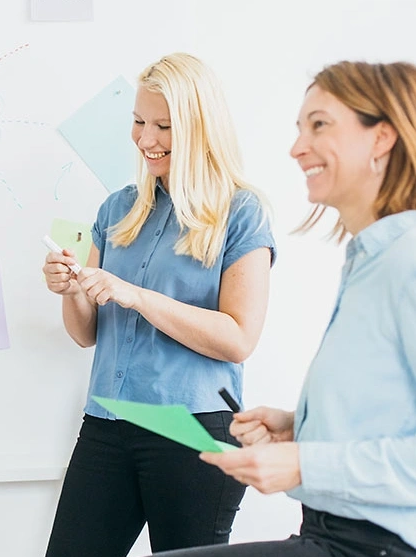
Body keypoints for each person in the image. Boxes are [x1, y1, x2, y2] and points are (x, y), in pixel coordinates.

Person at [154, 60, 416, 557]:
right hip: (327, 533)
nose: (297, 148)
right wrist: (302, 426)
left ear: (381, 138)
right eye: (299, 128)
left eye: (320, 125)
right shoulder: (368, 261)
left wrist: (304, 464)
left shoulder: (407, 261)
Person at [42, 52, 276, 556]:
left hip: (192, 429)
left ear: (198, 127)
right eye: (138, 122)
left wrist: (138, 297)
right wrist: (73, 289)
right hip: (107, 422)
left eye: (164, 126)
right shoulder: (117, 209)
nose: (146, 139)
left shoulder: (241, 212)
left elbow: (239, 339)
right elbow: (86, 334)